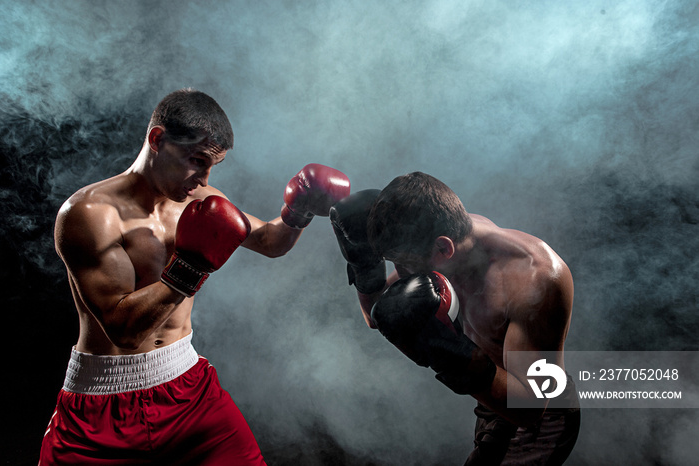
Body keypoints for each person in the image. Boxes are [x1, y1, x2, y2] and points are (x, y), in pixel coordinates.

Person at [39, 88, 350, 465]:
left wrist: (298, 211)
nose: (203, 179)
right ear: (158, 140)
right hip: (102, 407)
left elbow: (270, 241)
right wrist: (190, 267)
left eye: (211, 166)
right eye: (196, 160)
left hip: (188, 392)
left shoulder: (199, 200)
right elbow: (124, 329)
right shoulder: (89, 214)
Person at [331, 172, 580, 465]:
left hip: (539, 417)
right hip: (494, 404)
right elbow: (378, 315)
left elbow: (529, 408)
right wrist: (364, 266)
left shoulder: (535, 279)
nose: (400, 272)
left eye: (403, 263)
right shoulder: (433, 239)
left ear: (443, 249)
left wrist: (448, 352)